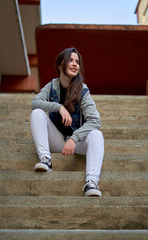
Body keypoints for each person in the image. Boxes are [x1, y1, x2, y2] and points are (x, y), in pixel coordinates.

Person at [30, 47, 104, 197]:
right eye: (70, 60)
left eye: (77, 62)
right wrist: (58, 107)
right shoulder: (52, 86)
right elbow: (35, 102)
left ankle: (91, 183)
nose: (75, 64)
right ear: (60, 65)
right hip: (56, 140)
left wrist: (74, 138)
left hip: (77, 143)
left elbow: (95, 120)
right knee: (37, 113)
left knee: (96, 134)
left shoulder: (82, 90)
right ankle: (46, 160)